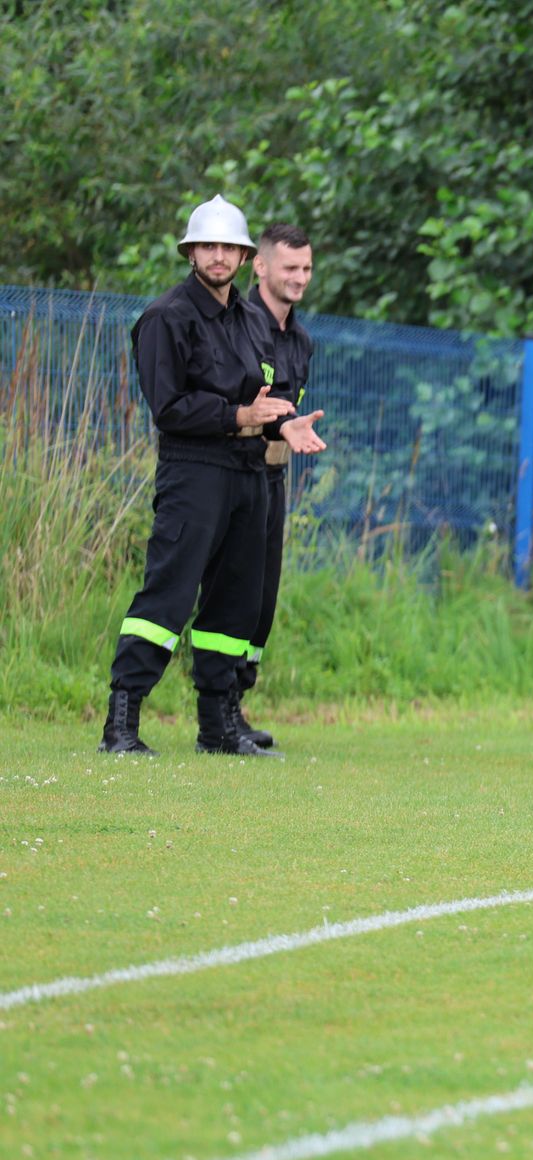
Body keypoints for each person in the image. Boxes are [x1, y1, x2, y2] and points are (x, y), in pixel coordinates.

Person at [99, 196, 328, 757]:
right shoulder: (166, 317)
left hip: (249, 472)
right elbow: (169, 408)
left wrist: (283, 427)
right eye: (209, 246)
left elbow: (262, 399)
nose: (219, 256)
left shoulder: (253, 321)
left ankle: (219, 728)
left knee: (235, 604)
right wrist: (238, 417)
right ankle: (121, 723)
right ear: (191, 251)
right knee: (169, 596)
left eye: (229, 247)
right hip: (194, 472)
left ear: (243, 256)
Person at [235, 223, 318, 751]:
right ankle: (214, 710)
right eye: (290, 267)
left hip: (274, 475)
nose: (300, 278)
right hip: (233, 472)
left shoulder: (301, 338)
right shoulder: (238, 326)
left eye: (307, 268)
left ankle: (235, 705)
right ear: (260, 266)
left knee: (263, 600)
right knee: (232, 595)